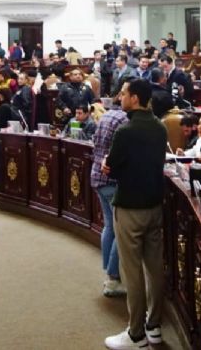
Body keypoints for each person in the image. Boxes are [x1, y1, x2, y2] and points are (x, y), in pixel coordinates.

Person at [102, 79, 167, 349]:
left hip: (130, 207)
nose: (120, 96)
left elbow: (113, 169)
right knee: (155, 269)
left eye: (124, 93)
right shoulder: (160, 128)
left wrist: (108, 165)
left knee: (133, 272)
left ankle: (136, 333)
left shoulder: (125, 131)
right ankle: (154, 327)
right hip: (155, 206)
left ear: (136, 98)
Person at [91, 89, 129, 298]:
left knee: (109, 226)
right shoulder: (124, 121)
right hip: (111, 180)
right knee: (119, 227)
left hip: (96, 175)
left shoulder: (106, 115)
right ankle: (113, 277)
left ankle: (109, 273)